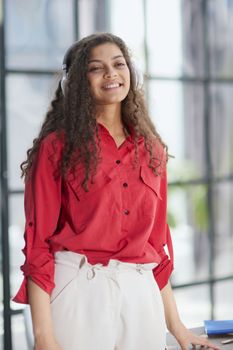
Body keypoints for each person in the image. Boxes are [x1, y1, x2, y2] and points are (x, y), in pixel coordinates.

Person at [13, 33, 219, 350]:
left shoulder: (152, 150)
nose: (111, 73)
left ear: (131, 74)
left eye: (118, 64)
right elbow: (38, 247)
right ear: (78, 82)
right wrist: (44, 336)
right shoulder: (57, 148)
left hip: (141, 297)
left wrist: (177, 327)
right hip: (79, 293)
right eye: (96, 68)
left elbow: (155, 245)